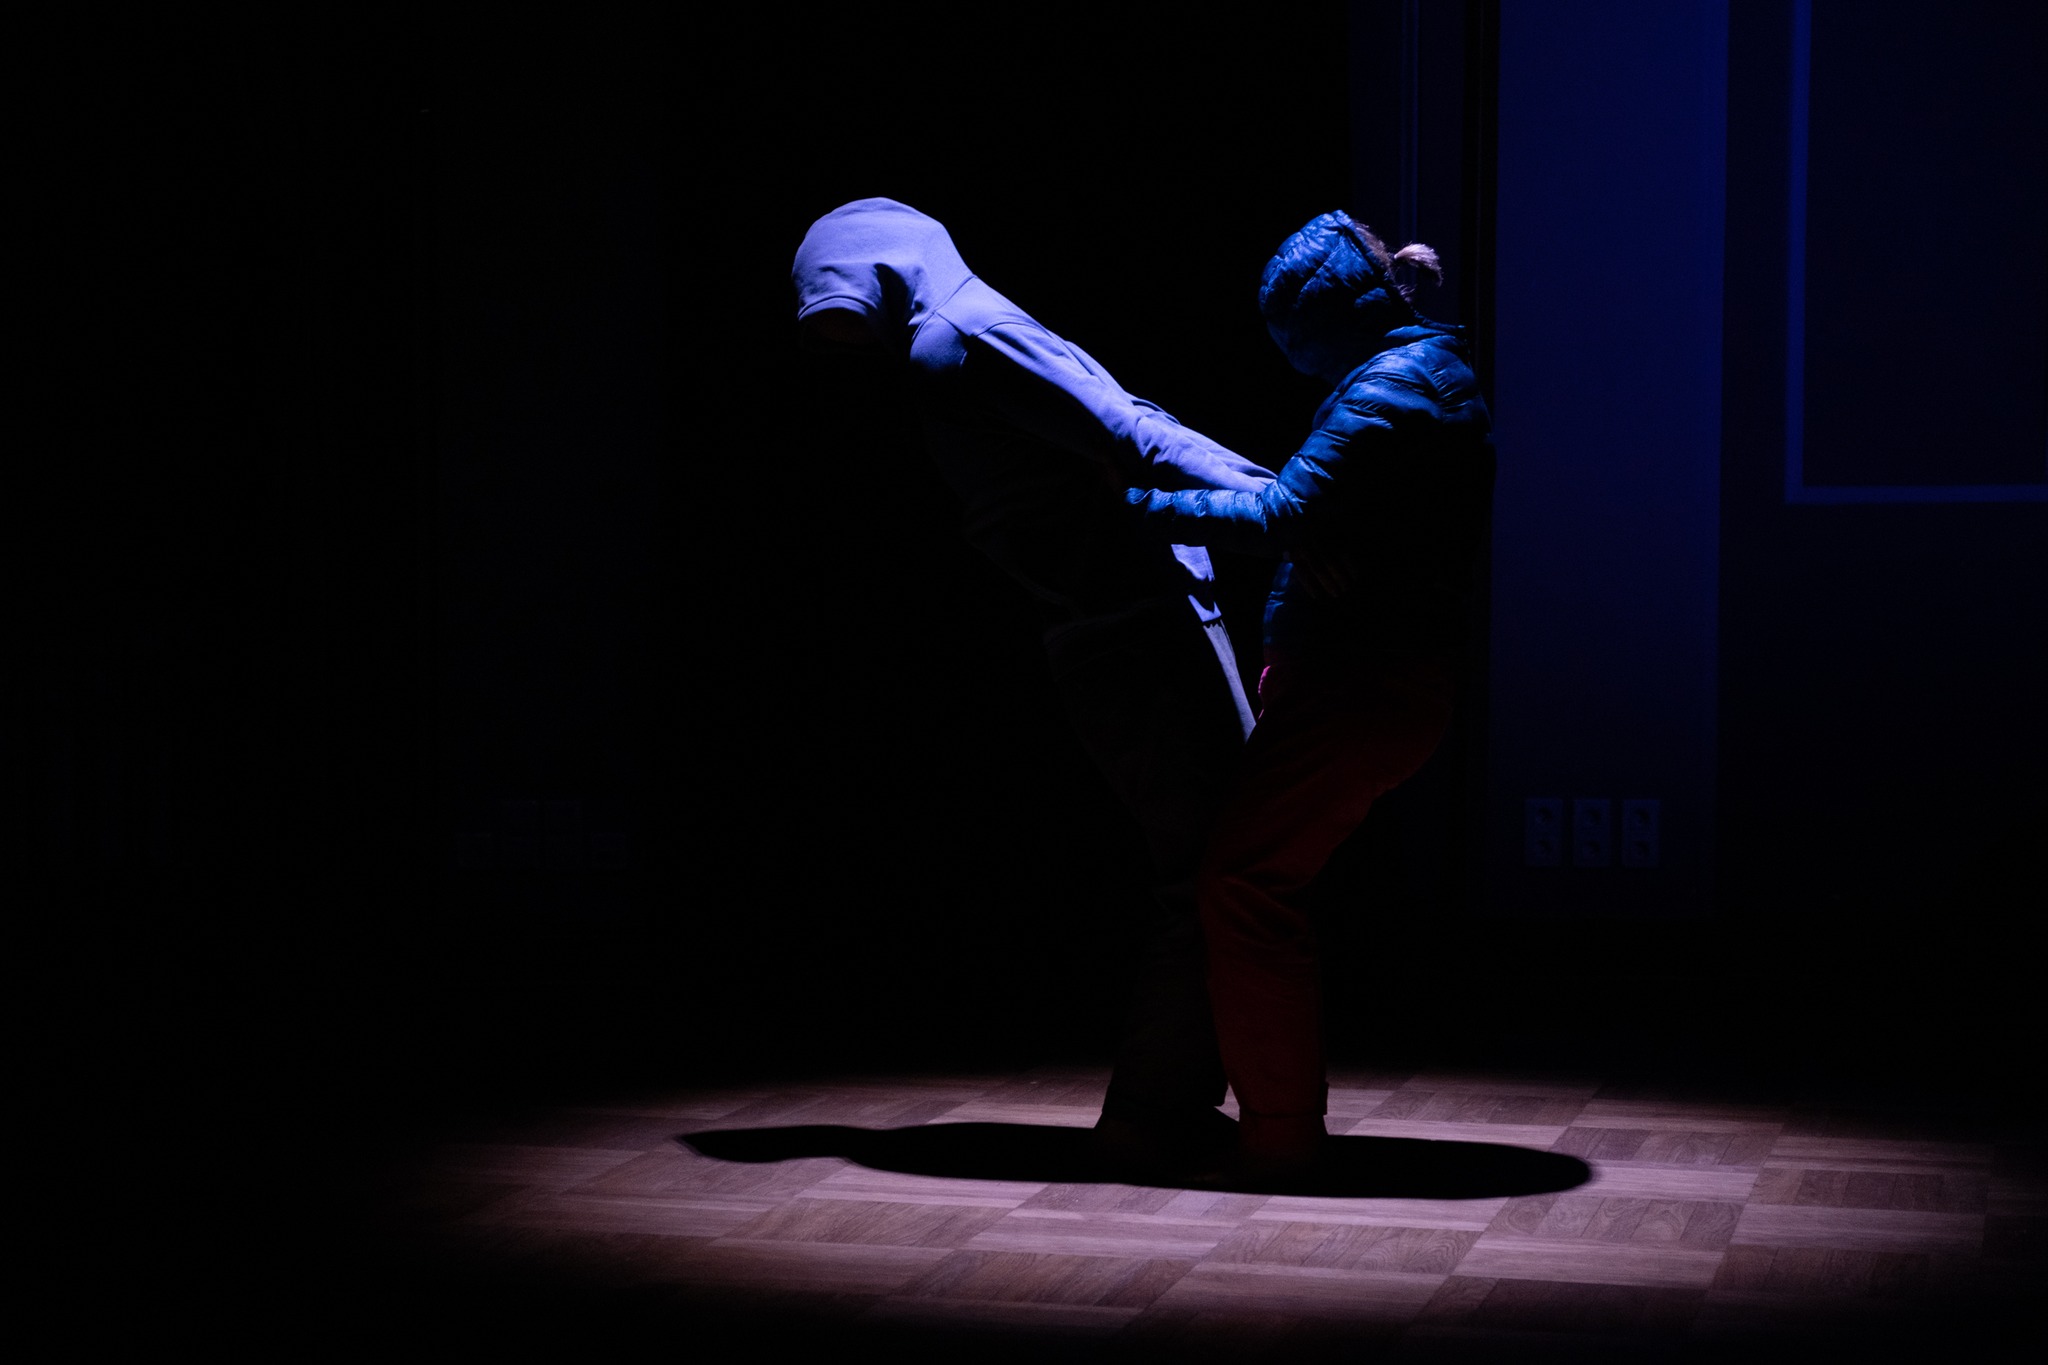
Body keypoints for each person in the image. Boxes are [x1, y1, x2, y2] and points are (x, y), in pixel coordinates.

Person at [791, 198, 1276, 1174]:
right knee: (1214, 868)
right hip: (1140, 629)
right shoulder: (965, 332)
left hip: (1108, 632)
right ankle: (1153, 1111)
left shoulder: (939, 347)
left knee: (1214, 863)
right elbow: (1132, 433)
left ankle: (1173, 1101)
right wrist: (1292, 503)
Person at [1124, 210, 1495, 1183]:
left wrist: (1144, 509)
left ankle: (1280, 1136)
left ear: (1321, 318)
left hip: (1359, 680)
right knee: (1250, 879)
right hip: (1366, 675)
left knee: (1245, 884)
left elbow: (1287, 511)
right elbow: (1336, 514)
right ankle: (1262, 1118)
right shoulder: (1417, 374)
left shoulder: (1388, 388)